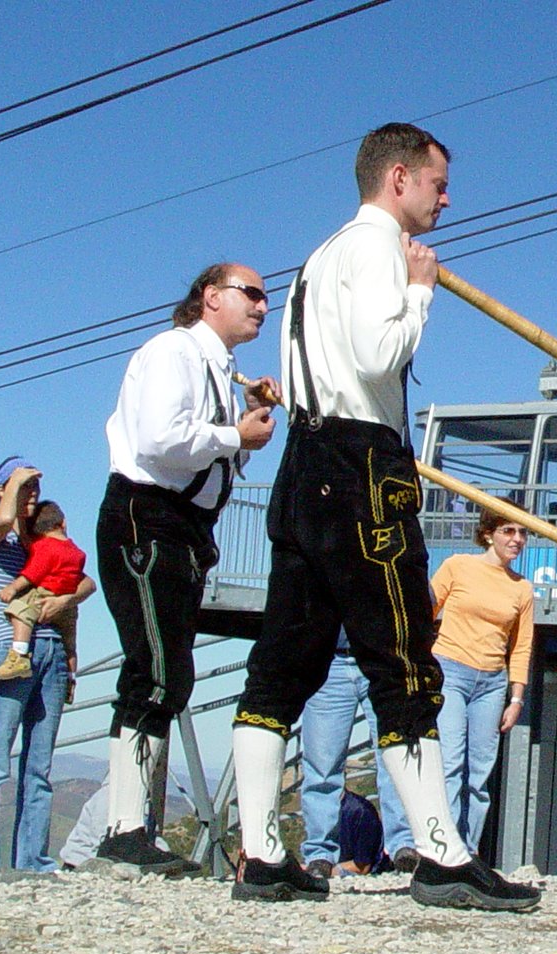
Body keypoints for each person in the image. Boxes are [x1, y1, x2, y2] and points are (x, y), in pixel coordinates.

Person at [229, 123, 537, 911]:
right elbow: (376, 356)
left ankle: (261, 853)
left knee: (281, 662)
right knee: (402, 658)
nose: (447, 199)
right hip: (363, 463)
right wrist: (420, 290)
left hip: (304, 460)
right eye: (438, 183)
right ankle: (441, 853)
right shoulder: (376, 250)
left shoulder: (319, 256)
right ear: (398, 178)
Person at [95, 262, 278, 877]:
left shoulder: (220, 370)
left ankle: (131, 830)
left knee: (167, 672)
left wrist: (240, 425)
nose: (262, 305)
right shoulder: (173, 350)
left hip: (184, 528)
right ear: (211, 297)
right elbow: (159, 440)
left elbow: (211, 458)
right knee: (155, 670)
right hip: (147, 518)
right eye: (251, 294)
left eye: (264, 297)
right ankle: (124, 831)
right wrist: (234, 435)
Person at [0, 458, 96, 873]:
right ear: (3, 490)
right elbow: (2, 520)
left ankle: (34, 862)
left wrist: (66, 600)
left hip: (52, 654)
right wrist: (18, 481)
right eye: (23, 486)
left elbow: (86, 580)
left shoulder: (40, 545)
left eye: (34, 489)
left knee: (39, 766)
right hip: (10, 650)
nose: (31, 494)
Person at [431, 507, 536, 855]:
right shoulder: (457, 566)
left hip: (492, 682)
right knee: (450, 763)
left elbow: (521, 646)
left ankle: (469, 851)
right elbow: (424, 612)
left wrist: (516, 698)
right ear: (489, 534)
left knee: (479, 774)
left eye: (522, 532)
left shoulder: (523, 588)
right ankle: (444, 850)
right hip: (450, 672)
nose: (517, 539)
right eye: (509, 531)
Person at [298, 630, 417, 879]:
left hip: (383, 657)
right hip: (328, 660)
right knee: (321, 765)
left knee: (395, 756)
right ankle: (320, 854)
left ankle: (404, 844)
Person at [0, 500, 85, 682]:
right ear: (63, 523)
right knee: (70, 645)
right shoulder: (76, 552)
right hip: (68, 606)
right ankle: (70, 678)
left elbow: (34, 572)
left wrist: (12, 588)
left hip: (45, 593)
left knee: (19, 611)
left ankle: (19, 655)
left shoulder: (45, 546)